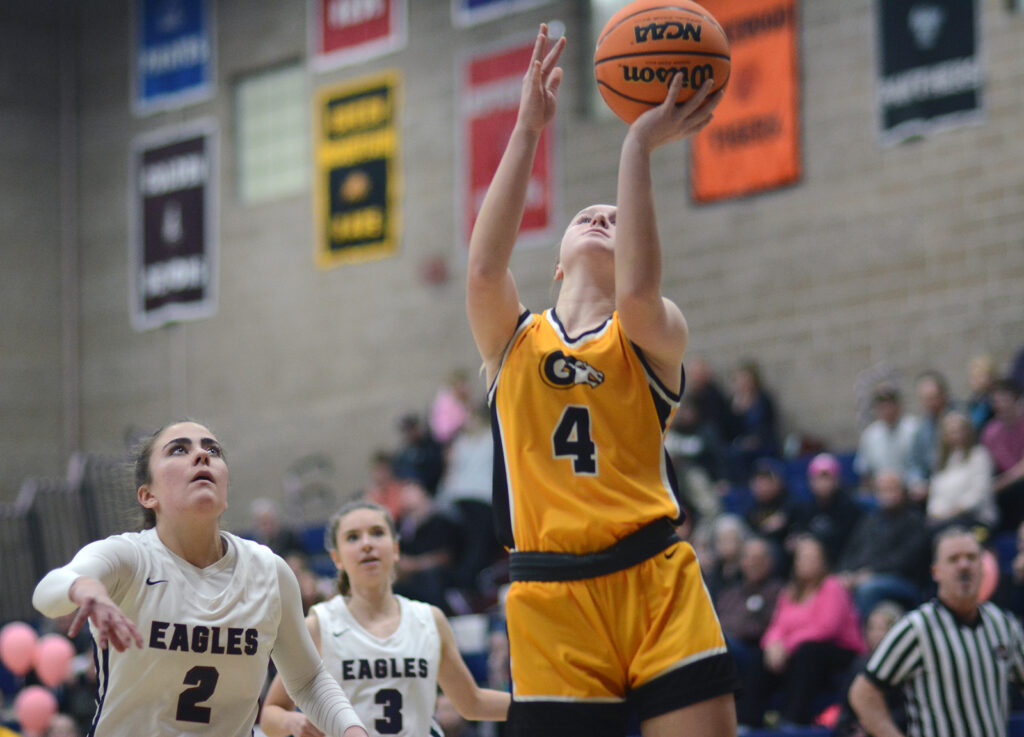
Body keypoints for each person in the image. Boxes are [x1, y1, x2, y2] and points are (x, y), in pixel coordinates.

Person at [464, 24, 734, 737]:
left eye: (617, 218)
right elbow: (485, 268)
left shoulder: (652, 329)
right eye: (588, 216)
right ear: (554, 264)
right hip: (550, 598)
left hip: (655, 581)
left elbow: (641, 288)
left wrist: (636, 147)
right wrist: (527, 129)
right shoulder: (513, 340)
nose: (602, 216)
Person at [31, 421, 367, 737]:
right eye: (178, 449)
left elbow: (307, 680)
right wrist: (84, 586)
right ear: (148, 495)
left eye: (213, 450)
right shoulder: (129, 556)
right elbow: (49, 590)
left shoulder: (269, 571)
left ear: (225, 490)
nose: (202, 454)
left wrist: (352, 730)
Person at [259, 500, 510, 737]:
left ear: (396, 549)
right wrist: (292, 722)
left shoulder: (429, 619)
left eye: (377, 533)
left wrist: (541, 703)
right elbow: (271, 713)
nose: (367, 544)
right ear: (336, 558)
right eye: (353, 537)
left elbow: (472, 702)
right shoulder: (318, 625)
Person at [848, 526, 1024, 737]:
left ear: (983, 566)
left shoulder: (1003, 624)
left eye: (971, 557)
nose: (964, 565)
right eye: (953, 559)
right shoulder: (916, 628)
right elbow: (862, 693)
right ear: (936, 572)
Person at [737, 534, 865, 728]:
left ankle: (794, 720)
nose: (806, 562)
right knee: (760, 656)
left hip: (839, 653)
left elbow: (826, 628)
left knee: (808, 651)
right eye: (803, 558)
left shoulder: (832, 587)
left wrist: (786, 646)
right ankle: (747, 722)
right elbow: (776, 626)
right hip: (798, 651)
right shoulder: (790, 591)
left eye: (812, 558)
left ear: (823, 562)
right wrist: (772, 645)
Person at [837, 470, 929, 617]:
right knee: (833, 587)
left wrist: (871, 573)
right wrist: (846, 572)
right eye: (883, 490)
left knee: (867, 589)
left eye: (892, 489)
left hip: (903, 581)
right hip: (863, 576)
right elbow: (851, 550)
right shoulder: (870, 520)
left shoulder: (914, 521)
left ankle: (868, 638)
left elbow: (905, 560)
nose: (888, 494)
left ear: (903, 491)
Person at [926, 410, 997, 530]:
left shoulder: (979, 456)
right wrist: (936, 513)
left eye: (959, 431)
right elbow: (935, 495)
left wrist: (954, 511)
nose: (955, 436)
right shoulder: (942, 462)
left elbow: (979, 494)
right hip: (944, 519)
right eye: (951, 432)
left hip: (975, 519)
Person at [790, 452, 863, 565]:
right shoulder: (805, 507)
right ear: (811, 481)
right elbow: (799, 531)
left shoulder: (850, 507)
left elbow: (850, 544)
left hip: (840, 562)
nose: (823, 483)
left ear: (837, 479)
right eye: (818, 478)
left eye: (827, 478)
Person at [853, 385, 919, 492]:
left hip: (909, 488)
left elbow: (921, 465)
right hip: (881, 492)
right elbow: (864, 471)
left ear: (898, 406)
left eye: (890, 406)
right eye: (882, 407)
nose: (887, 411)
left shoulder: (914, 429)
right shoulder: (870, 435)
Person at [981, 378, 1024, 530]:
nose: (999, 405)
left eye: (1003, 400)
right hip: (1003, 490)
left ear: (1016, 399)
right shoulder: (990, 432)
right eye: (996, 401)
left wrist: (1000, 484)